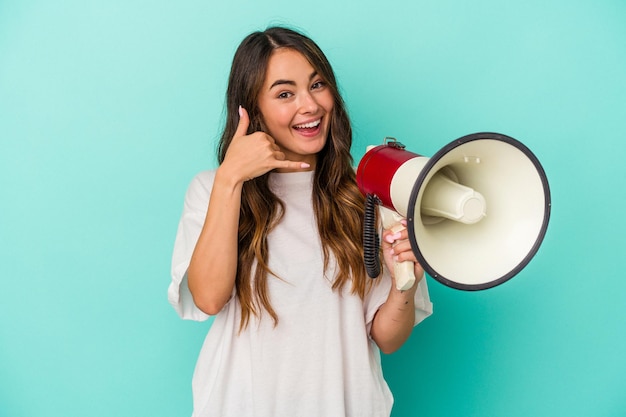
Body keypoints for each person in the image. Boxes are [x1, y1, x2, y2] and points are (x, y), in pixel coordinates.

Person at [168, 26, 433, 417]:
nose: (310, 105)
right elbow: (208, 298)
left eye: (318, 84)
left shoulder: (368, 196)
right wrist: (230, 178)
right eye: (285, 93)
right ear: (252, 110)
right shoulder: (213, 189)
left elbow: (387, 339)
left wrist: (404, 284)